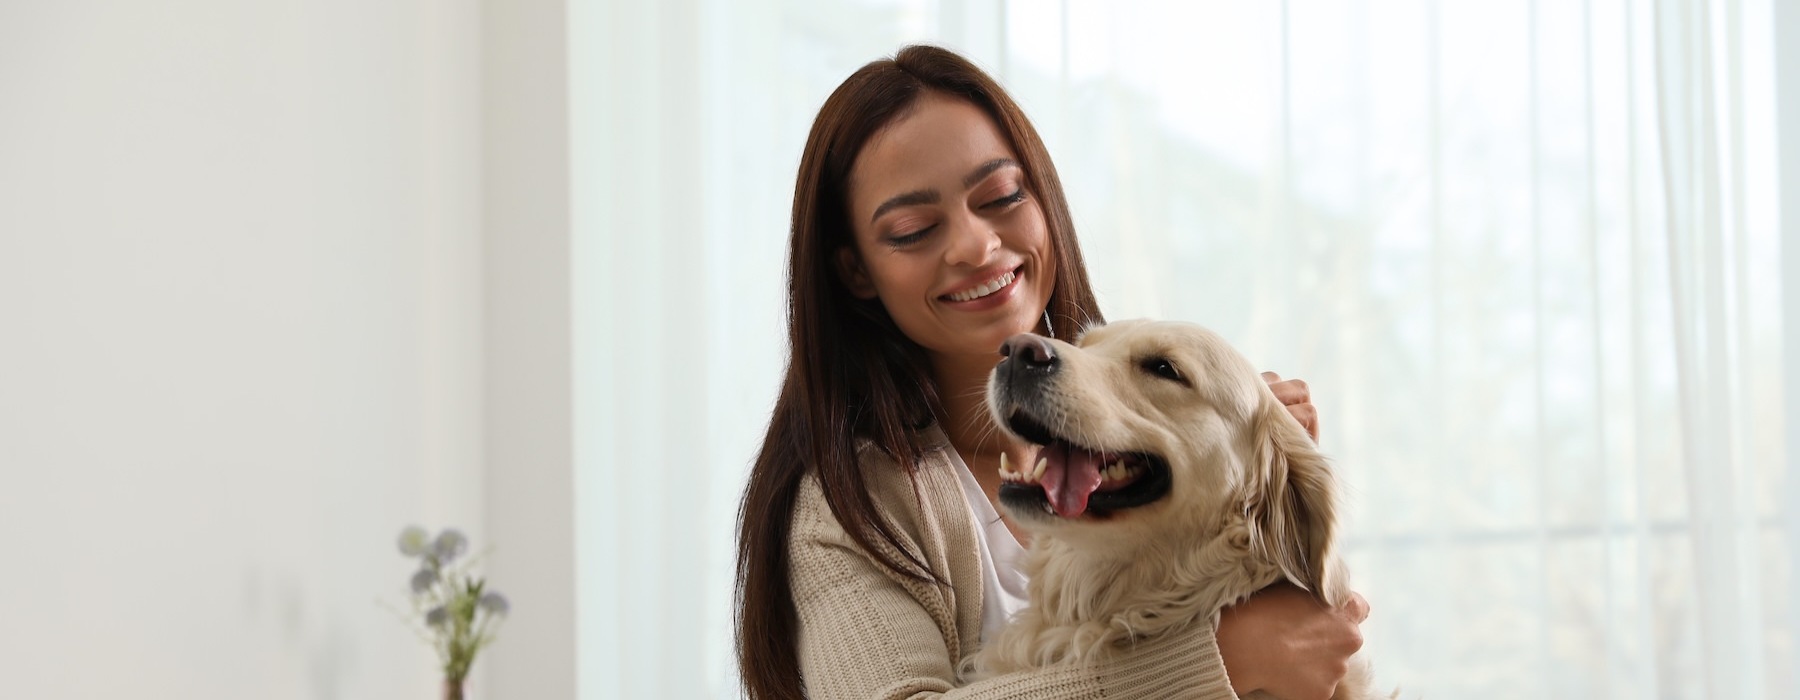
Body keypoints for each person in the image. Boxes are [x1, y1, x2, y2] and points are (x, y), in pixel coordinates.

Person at [734, 44, 1368, 700]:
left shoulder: (1129, 422)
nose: (977, 246)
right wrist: (1218, 664)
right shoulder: (848, 508)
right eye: (915, 228)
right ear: (857, 271)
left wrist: (1267, 462)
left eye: (1002, 195)